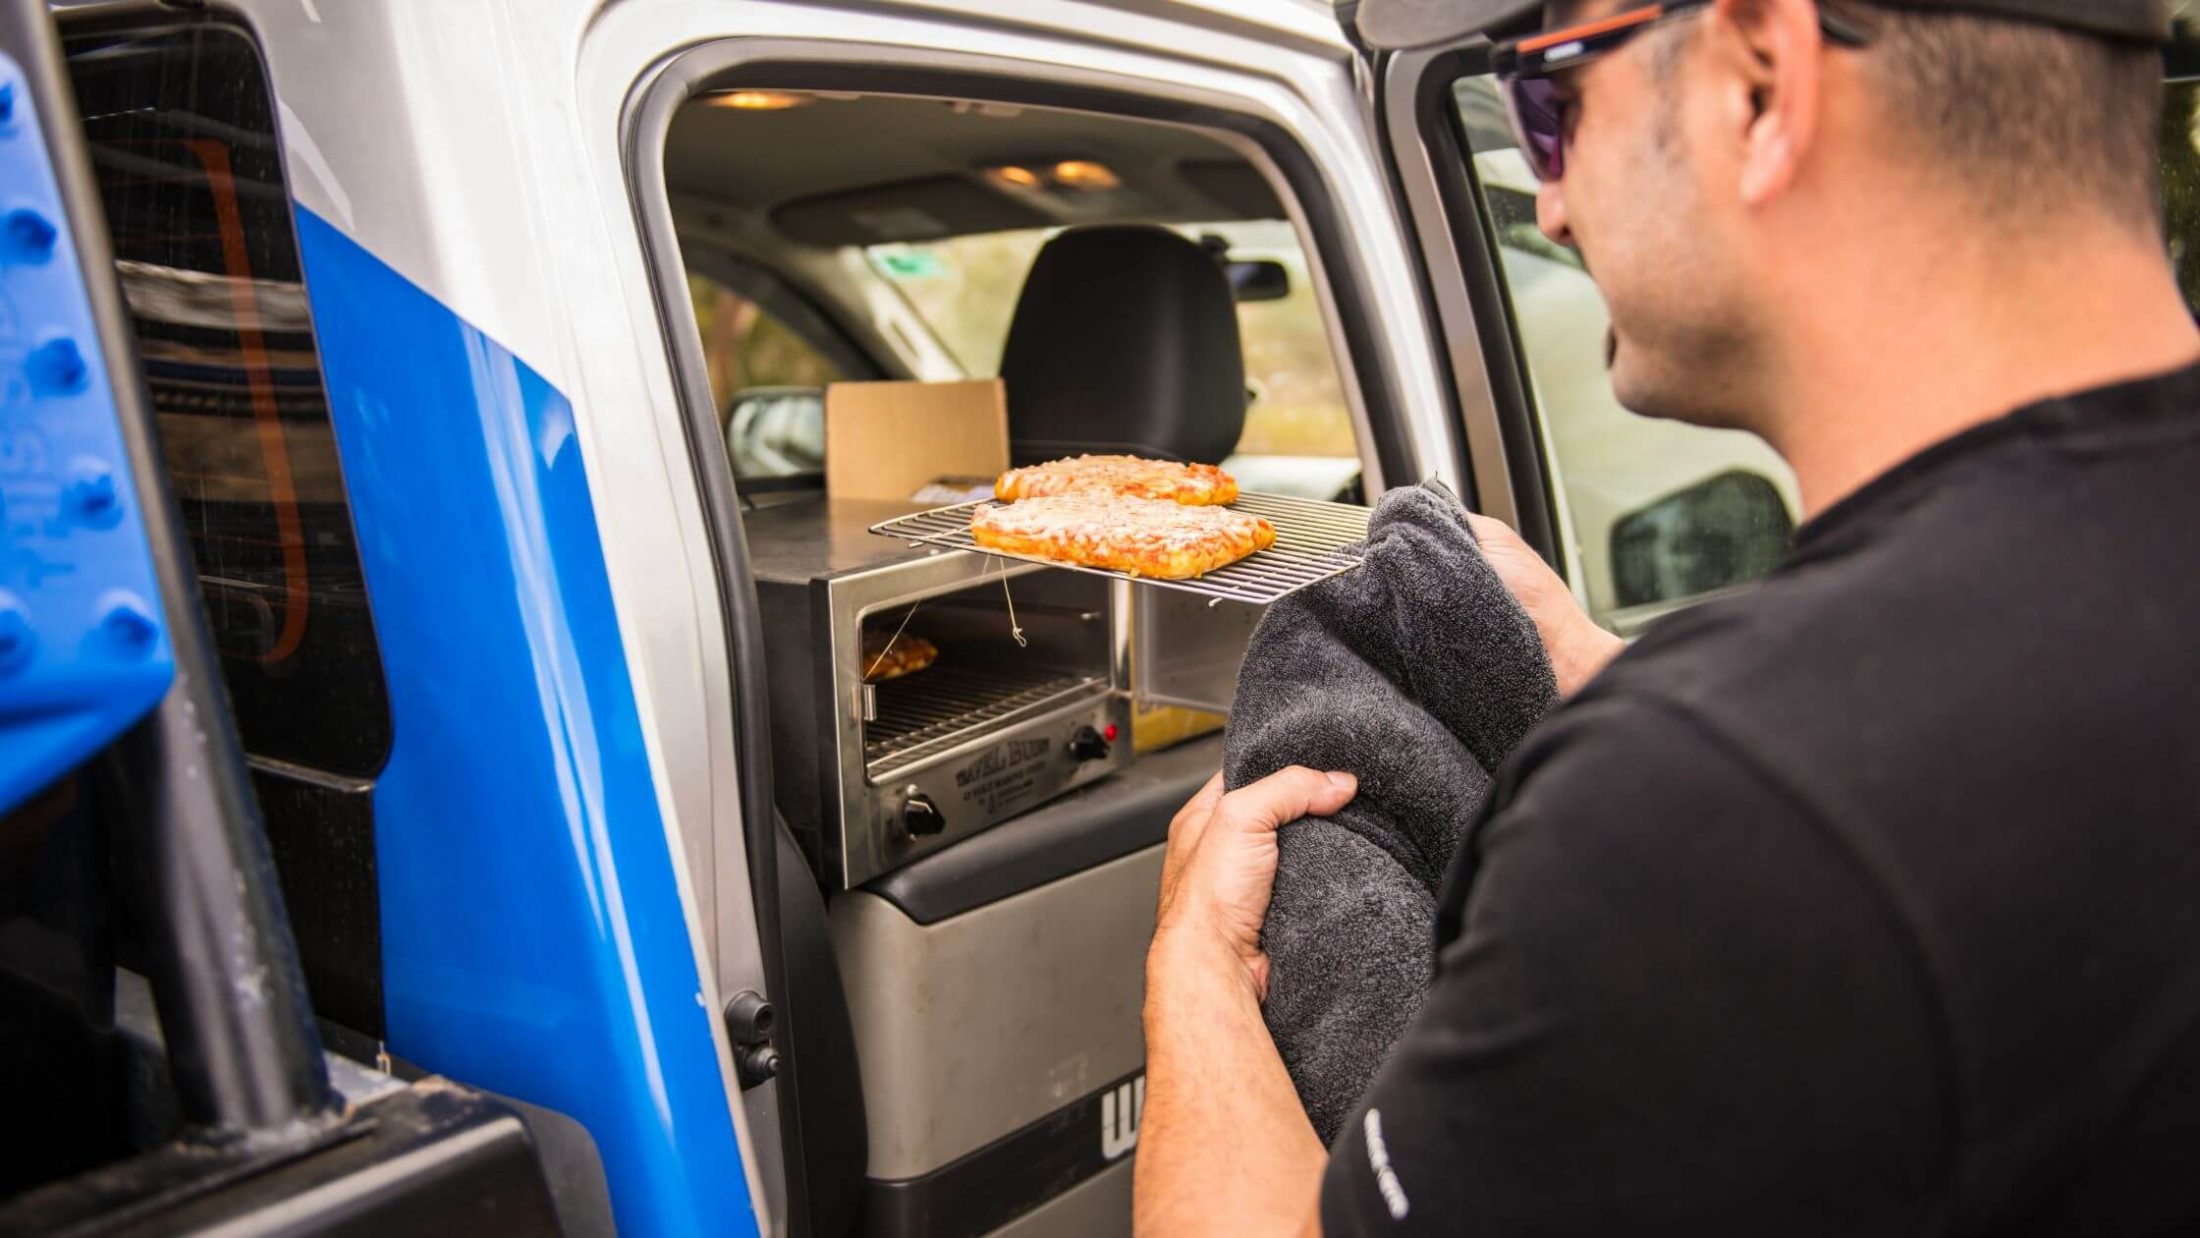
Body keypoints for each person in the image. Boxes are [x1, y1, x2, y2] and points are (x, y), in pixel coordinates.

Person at [1136, 0, 2200, 1233]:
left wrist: (1196, 970)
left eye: (1549, 101)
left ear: (1757, 78)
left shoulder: (1708, 813)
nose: (1549, 203)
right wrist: (1610, 670)